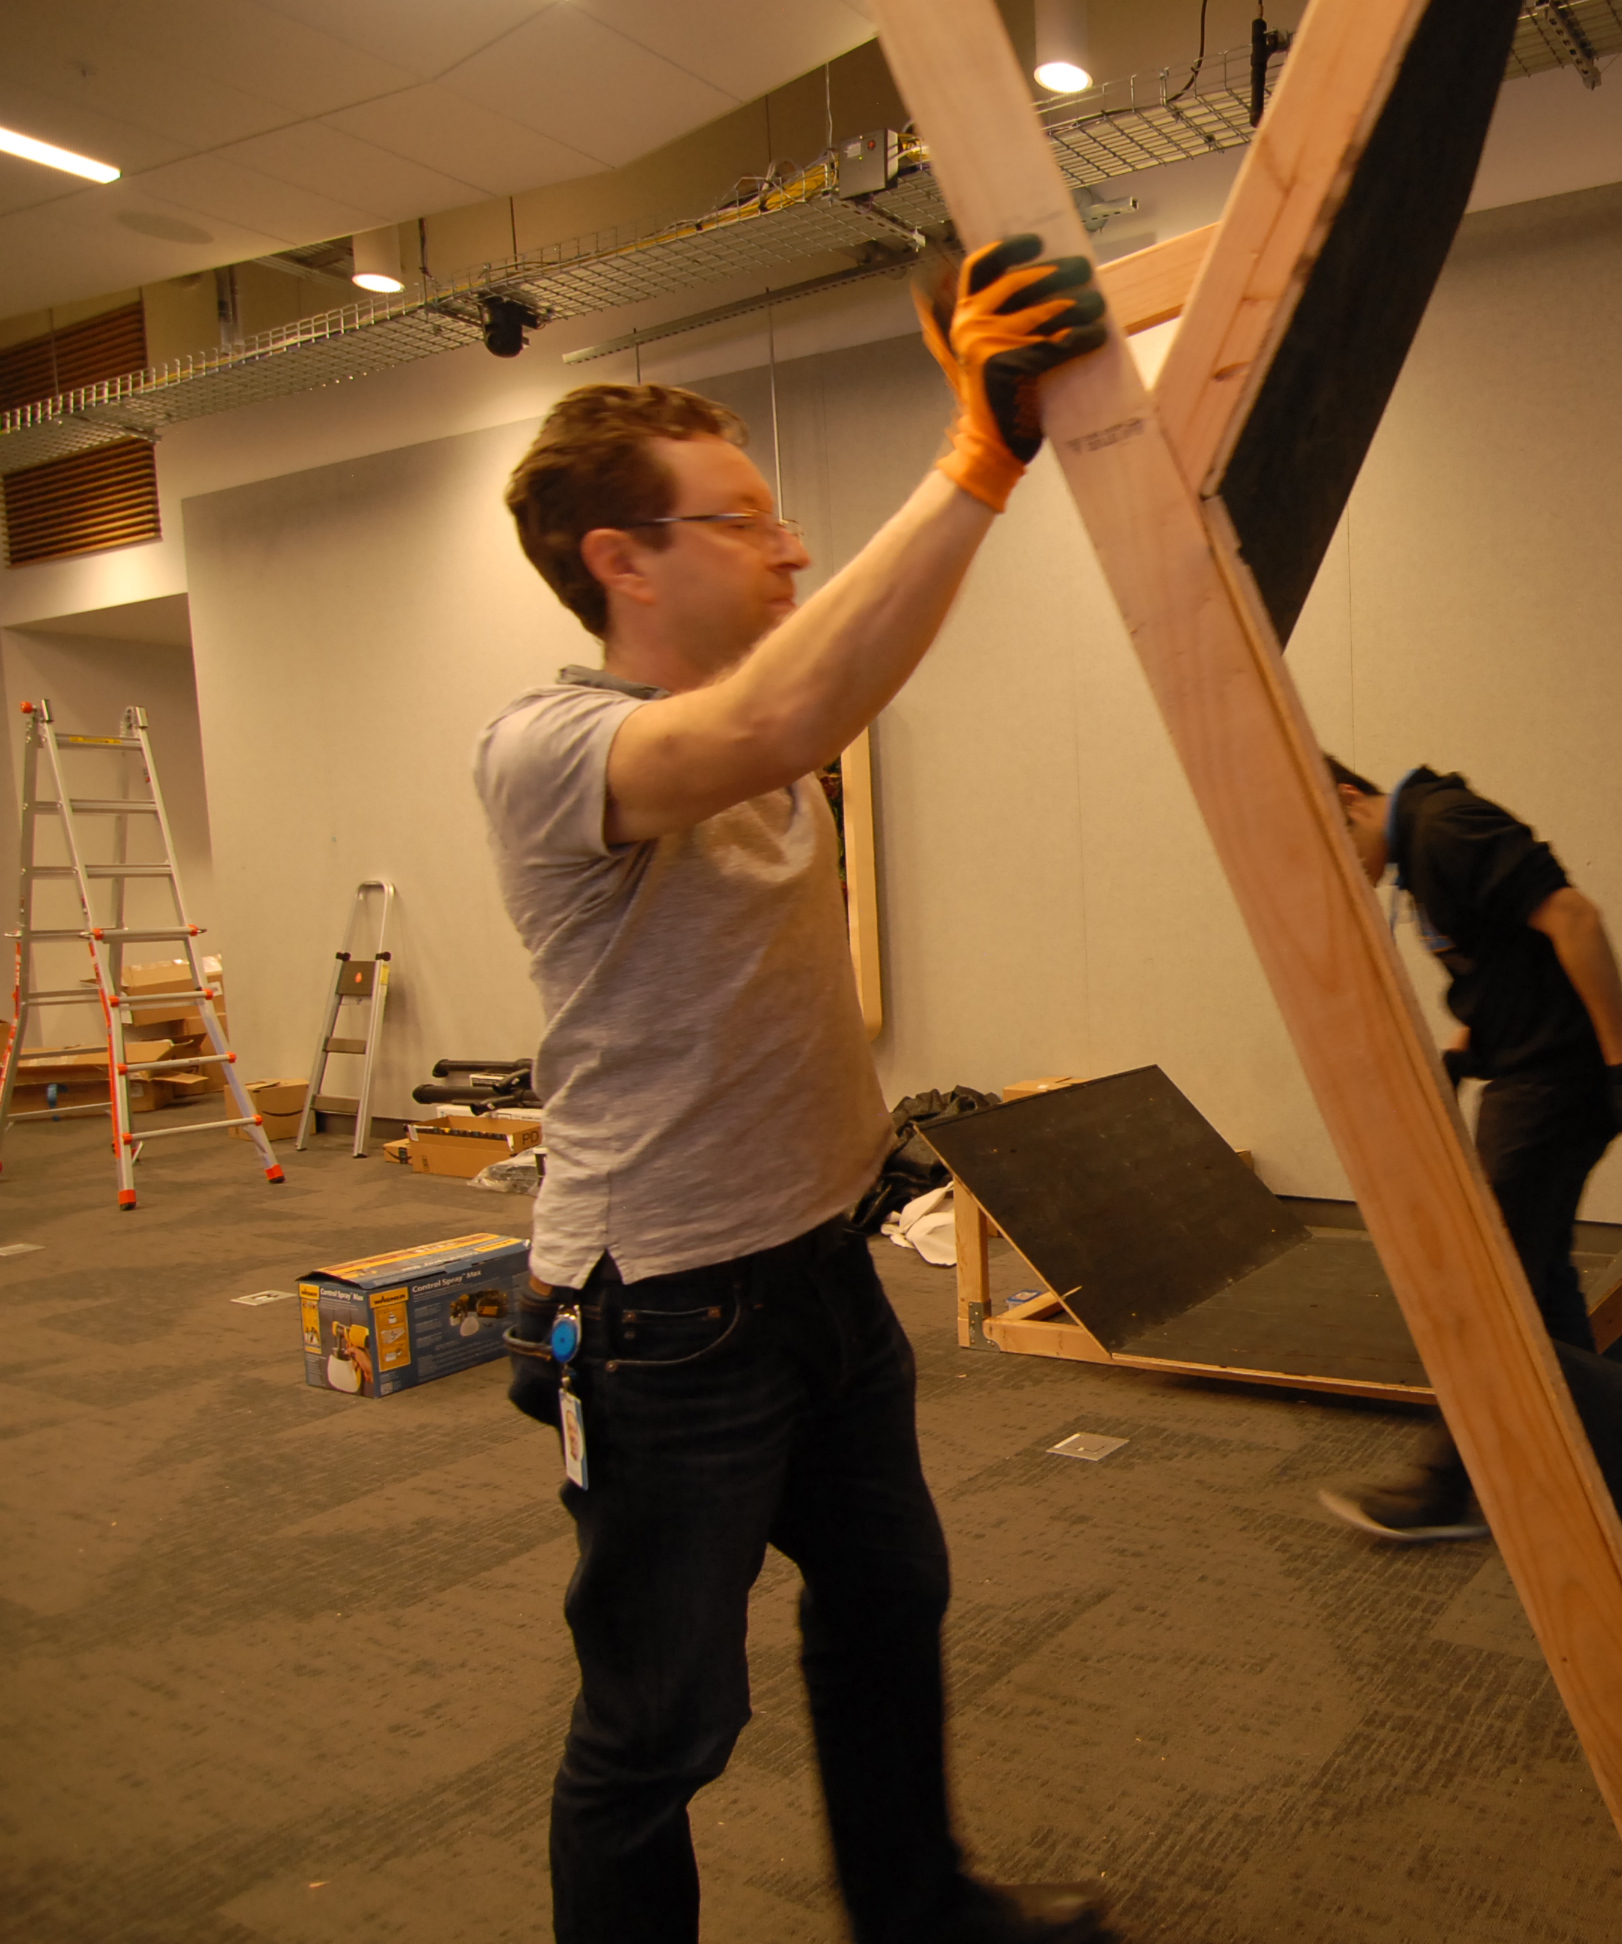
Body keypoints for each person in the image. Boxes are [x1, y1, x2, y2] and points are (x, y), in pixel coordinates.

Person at [474, 238, 1113, 1944]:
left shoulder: (763, 725)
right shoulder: (548, 749)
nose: (790, 544)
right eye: (744, 519)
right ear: (622, 559)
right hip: (667, 1316)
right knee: (660, 1726)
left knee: (891, 1599)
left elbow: (817, 675)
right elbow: (774, 714)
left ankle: (919, 1913)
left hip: (822, 1268)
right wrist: (977, 456)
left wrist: (977, 456)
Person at [1314, 757, 1622, 1540]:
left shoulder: (1445, 828)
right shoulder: (1420, 849)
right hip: (1530, 1075)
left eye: (1332, 845)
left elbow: (1574, 918)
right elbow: (1511, 960)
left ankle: (1446, 1489)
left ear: (1349, 798)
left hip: (1554, 1083)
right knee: (1537, 1283)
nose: (1342, 871)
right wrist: (1462, 1049)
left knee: (1487, 1286)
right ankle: (1601, 1467)